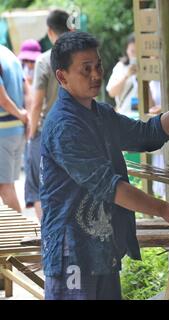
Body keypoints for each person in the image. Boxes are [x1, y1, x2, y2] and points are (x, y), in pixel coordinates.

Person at [41, 31, 169, 300]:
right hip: (72, 250)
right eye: (86, 69)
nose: (96, 75)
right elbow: (111, 187)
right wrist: (164, 209)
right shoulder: (64, 127)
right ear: (62, 77)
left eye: (98, 66)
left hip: (102, 245)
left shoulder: (100, 113)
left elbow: (146, 134)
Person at [26, 10, 70, 221]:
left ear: (50, 31)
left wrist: (31, 134)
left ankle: (50, 237)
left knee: (42, 189)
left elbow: (36, 104)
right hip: (75, 130)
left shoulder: (45, 60)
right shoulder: (82, 57)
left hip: (47, 132)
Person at [0, 44, 28, 213]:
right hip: (16, 130)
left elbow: (2, 99)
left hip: (3, 131)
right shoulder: (9, 54)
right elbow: (27, 91)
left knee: (5, 187)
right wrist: (26, 118)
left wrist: (20, 114)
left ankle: (23, 236)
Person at [106, 34, 138, 115]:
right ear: (126, 50)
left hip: (145, 116)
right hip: (124, 115)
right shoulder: (120, 67)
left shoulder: (149, 67)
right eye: (132, 51)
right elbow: (111, 92)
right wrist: (126, 76)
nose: (135, 55)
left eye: (138, 51)